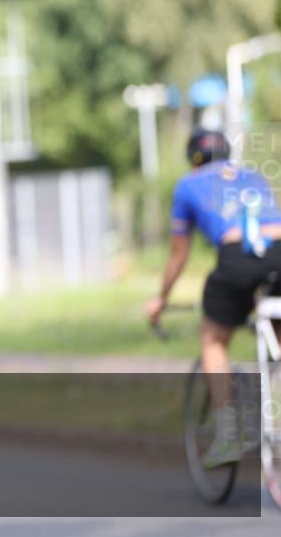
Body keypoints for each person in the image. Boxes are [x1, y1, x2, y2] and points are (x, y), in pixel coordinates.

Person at [146, 128, 281, 467]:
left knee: (214, 340)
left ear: (193, 159)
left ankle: (227, 437)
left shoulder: (188, 185)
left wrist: (161, 298)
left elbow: (179, 254)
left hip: (238, 257)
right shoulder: (252, 175)